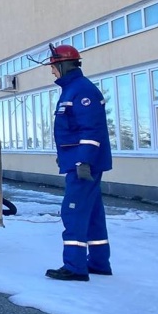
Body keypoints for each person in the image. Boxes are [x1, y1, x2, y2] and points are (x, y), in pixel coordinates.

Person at [44, 44, 113, 282]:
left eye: (53, 67)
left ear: (62, 65)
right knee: (92, 213)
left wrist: (83, 159)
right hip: (77, 160)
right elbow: (71, 131)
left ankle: (74, 266)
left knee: (72, 211)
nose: (52, 72)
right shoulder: (72, 89)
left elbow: (91, 129)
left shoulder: (82, 91)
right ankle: (99, 262)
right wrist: (65, 154)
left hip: (84, 164)